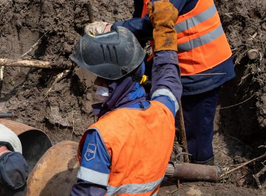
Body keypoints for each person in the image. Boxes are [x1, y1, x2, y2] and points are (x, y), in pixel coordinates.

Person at [43, 1, 182, 196]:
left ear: (116, 82)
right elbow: (169, 80)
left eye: (101, 78)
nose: (95, 82)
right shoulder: (162, 115)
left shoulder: (105, 135)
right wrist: (165, 34)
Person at [89, 0, 235, 165]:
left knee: (196, 134)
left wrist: (113, 28)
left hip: (203, 65)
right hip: (173, 57)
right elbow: (141, 21)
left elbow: (156, 23)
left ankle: (201, 175)